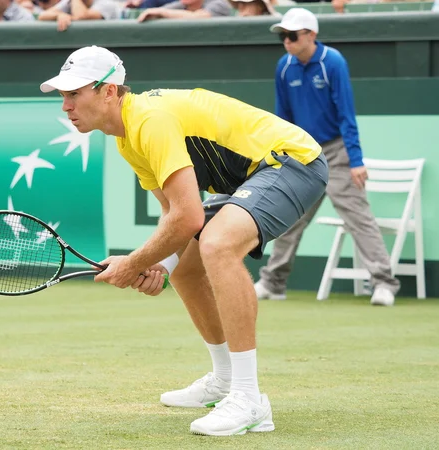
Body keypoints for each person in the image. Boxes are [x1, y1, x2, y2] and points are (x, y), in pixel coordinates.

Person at [40, 45, 328, 436]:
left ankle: (249, 398)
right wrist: (158, 264)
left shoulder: (149, 120)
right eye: (63, 95)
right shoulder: (127, 136)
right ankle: (225, 379)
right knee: (187, 272)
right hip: (245, 181)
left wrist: (135, 262)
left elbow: (190, 217)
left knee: (217, 244)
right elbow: (174, 215)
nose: (66, 106)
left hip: (291, 162)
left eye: (74, 93)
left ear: (109, 91)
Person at [256, 8, 400, 306]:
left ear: (311, 35)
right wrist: (281, 154)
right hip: (301, 152)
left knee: (358, 217)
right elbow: (283, 118)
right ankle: (273, 283)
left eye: (292, 36)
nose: (287, 42)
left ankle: (384, 283)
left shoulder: (332, 62)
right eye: (283, 36)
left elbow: (346, 114)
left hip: (336, 151)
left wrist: (356, 160)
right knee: (289, 218)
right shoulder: (284, 67)